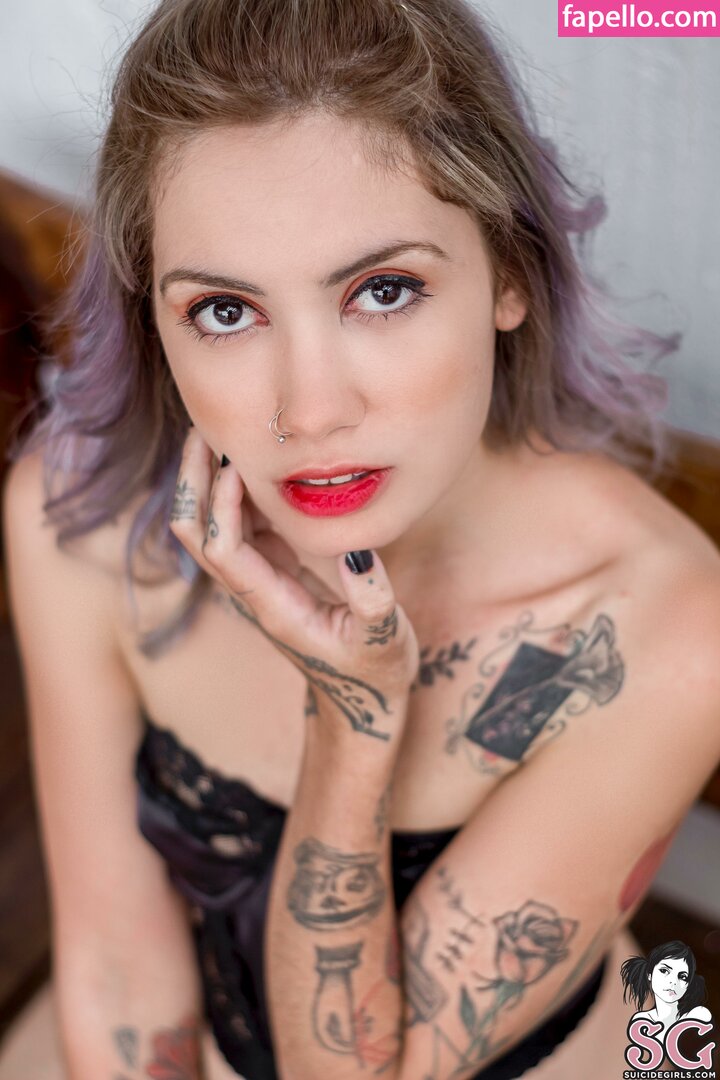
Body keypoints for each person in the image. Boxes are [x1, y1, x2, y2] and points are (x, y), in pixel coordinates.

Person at [2, 0, 720, 1077]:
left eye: (384, 291)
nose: (311, 408)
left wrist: (355, 728)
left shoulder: (662, 619)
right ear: (154, 315)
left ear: (510, 274)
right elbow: (113, 971)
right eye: (226, 311)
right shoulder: (78, 521)